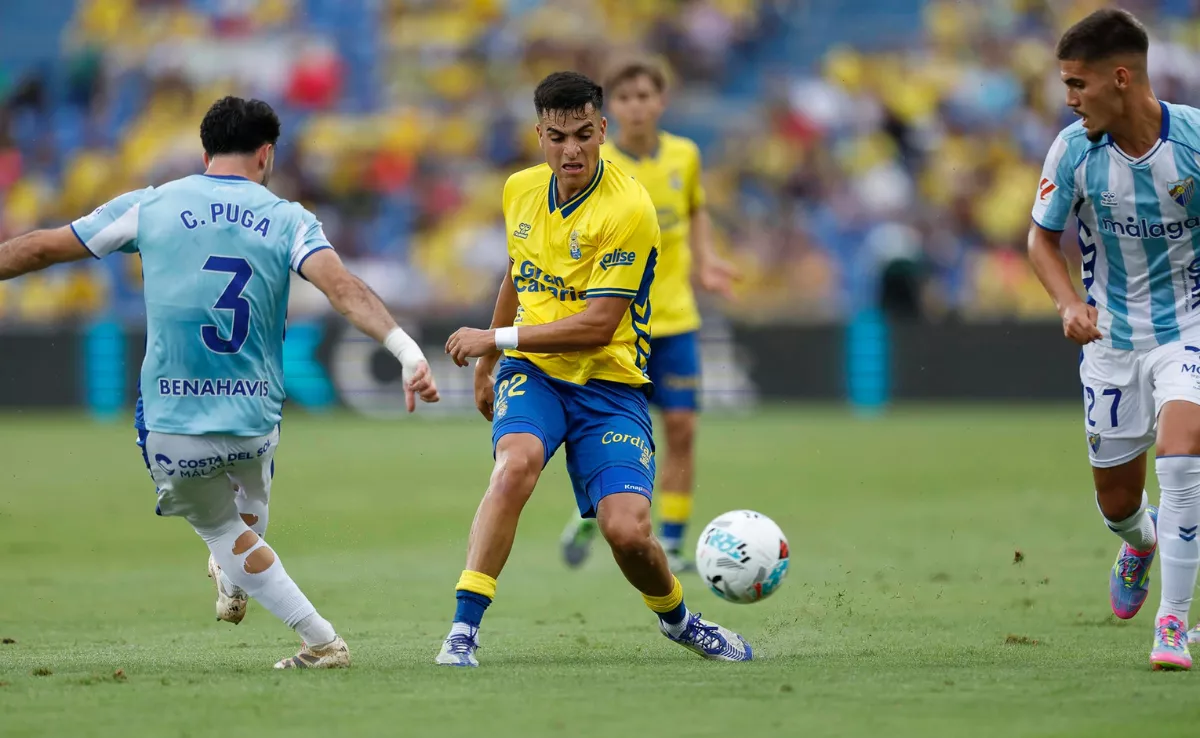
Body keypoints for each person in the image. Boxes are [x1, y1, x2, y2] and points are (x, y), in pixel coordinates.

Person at [0, 96, 440, 669]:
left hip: (174, 422)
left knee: (221, 530)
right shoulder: (288, 218)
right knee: (247, 507)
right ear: (266, 154)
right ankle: (236, 580)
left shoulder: (151, 205)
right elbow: (342, 287)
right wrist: (406, 351)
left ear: (204, 152)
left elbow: (39, 248)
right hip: (256, 420)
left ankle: (321, 640)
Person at [438, 71, 751, 667]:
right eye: (557, 137)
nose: (571, 150)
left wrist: (492, 337)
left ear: (603, 130)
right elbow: (516, 273)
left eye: (584, 134)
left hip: (609, 384)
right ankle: (462, 631)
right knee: (515, 465)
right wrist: (490, 364)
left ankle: (680, 620)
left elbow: (597, 326)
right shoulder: (519, 191)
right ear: (540, 135)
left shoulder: (631, 206)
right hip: (534, 372)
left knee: (628, 533)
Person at [1028, 8, 1200, 670]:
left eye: (1078, 84)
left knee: (1183, 454)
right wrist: (1069, 302)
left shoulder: (1190, 143)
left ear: (1120, 77)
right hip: (1111, 340)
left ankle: (1172, 626)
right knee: (1119, 501)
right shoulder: (1074, 149)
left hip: (1187, 328)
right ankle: (1140, 541)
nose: (1069, 99)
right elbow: (1040, 238)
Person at [559, 57, 740, 573]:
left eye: (645, 96)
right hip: (615, 327)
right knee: (608, 430)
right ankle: (594, 513)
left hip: (676, 318)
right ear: (608, 110)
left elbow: (696, 209)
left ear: (661, 102)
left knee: (681, 426)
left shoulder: (685, 155)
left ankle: (677, 541)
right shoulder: (597, 165)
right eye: (625, 98)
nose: (636, 106)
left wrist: (706, 261)